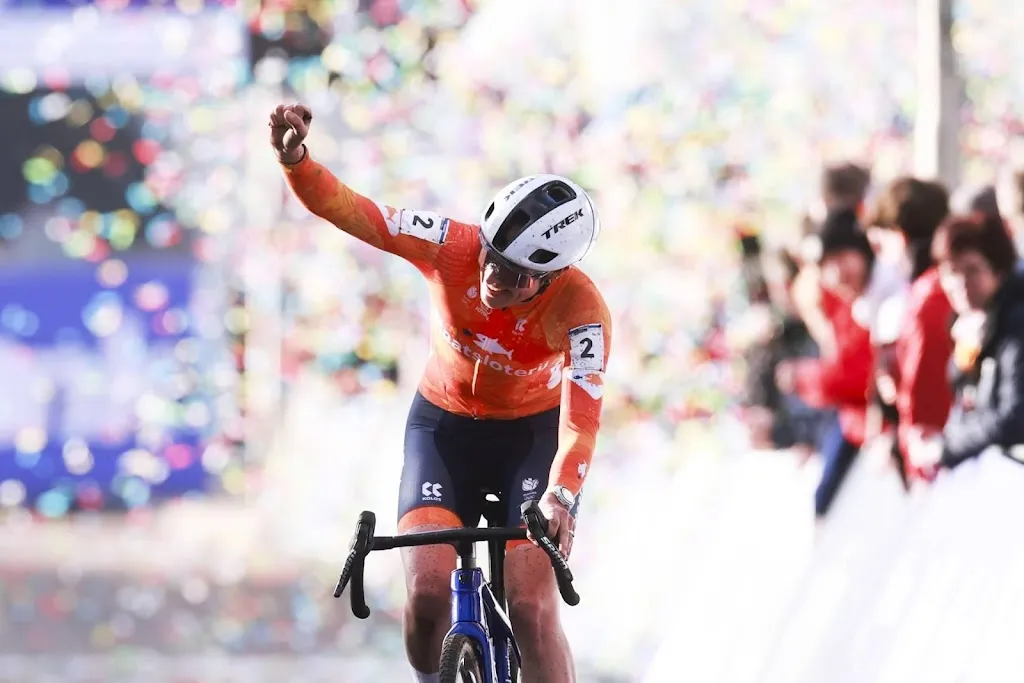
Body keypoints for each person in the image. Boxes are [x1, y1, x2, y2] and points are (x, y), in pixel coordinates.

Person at [269, 103, 610, 683]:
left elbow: (581, 421)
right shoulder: (452, 245)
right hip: (443, 429)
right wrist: (296, 159)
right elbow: (355, 211)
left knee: (531, 612)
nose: (492, 277)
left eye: (515, 274)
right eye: (491, 257)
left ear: (551, 277)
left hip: (529, 441)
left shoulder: (583, 311)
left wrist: (562, 495)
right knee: (427, 597)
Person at [776, 210, 875, 518]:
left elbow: (855, 378)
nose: (835, 277)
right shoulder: (847, 307)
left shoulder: (851, 305)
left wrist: (804, 378)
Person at [909, 213, 1024, 474]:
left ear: (998, 270)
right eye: (951, 273)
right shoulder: (967, 328)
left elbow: (1014, 418)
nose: (960, 284)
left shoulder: (1016, 323)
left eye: (972, 271)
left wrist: (945, 448)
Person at [865, 178, 953, 481]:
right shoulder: (940, 283)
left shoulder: (927, 295)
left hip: (942, 460)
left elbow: (924, 402)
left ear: (899, 236)